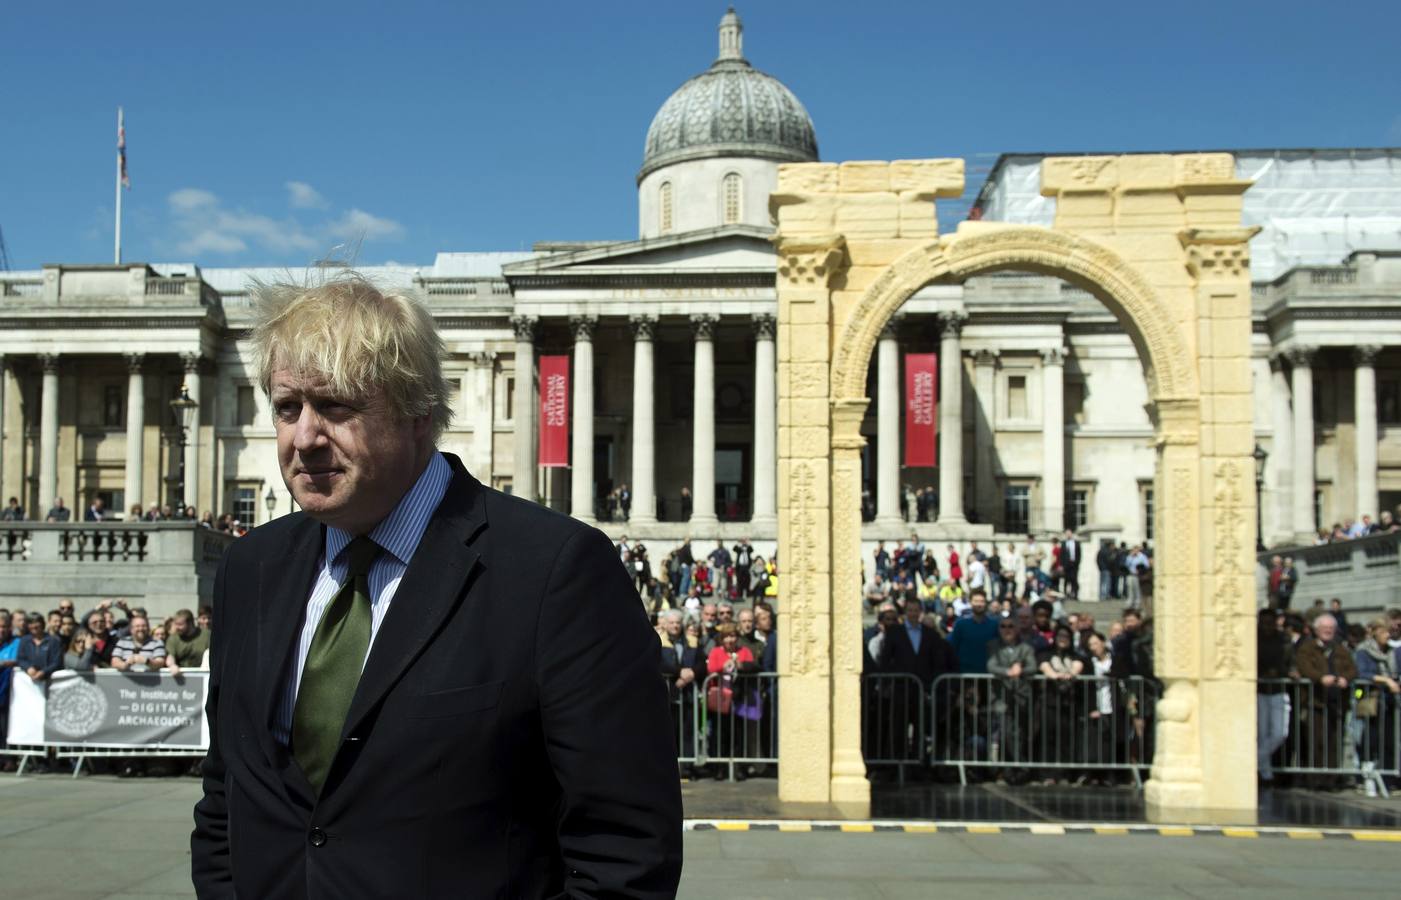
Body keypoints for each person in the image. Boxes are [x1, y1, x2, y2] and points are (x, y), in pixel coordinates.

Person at [191, 273, 681, 898]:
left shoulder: (555, 572)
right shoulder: (249, 569)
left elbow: (625, 849)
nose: (303, 437)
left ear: (419, 413)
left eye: (336, 406)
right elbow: (226, 795)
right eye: (288, 408)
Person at [1293, 613, 1357, 790]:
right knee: (1316, 741)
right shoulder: (1308, 648)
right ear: (1317, 629)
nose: (1328, 631)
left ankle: (1332, 779)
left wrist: (1345, 678)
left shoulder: (1340, 649)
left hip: (1336, 701)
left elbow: (1352, 668)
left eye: (1331, 628)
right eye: (1325, 627)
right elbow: (1304, 666)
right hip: (1316, 701)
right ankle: (1315, 779)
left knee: (1335, 742)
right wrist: (1320, 678)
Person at [1353, 617, 1401, 790]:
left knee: (1390, 740)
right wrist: (1385, 680)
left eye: (1390, 631)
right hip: (1370, 700)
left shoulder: (1391, 652)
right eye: (1385, 632)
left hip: (1389, 702)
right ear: (1375, 633)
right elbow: (1361, 672)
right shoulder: (1363, 651)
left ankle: (1388, 780)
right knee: (1369, 739)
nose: (1388, 635)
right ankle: (1364, 776)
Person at [705, 623, 758, 780]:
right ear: (722, 639)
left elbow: (753, 666)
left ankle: (739, 768)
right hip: (720, 699)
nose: (730, 639)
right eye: (727, 636)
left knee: (739, 735)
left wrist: (739, 665)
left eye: (733, 636)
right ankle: (719, 769)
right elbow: (711, 668)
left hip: (739, 698)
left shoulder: (744, 651)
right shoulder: (715, 651)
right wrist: (723, 666)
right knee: (720, 734)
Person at [1257, 609, 1291, 787]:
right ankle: (1265, 774)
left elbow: (1288, 661)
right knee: (1262, 734)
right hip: (1260, 689)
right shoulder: (1254, 637)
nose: (1267, 626)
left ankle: (1253, 761)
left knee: (1279, 733)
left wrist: (1283, 672)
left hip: (1278, 688)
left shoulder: (1283, 639)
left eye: (1270, 622)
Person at [949, 588, 999, 674]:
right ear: (970, 603)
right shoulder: (961, 624)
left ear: (986, 603)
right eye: (976, 601)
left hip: (989, 675)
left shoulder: (994, 625)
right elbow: (953, 648)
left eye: (981, 601)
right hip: (965, 675)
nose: (979, 604)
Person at [17, 613, 63, 683]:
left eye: (37, 622)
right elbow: (20, 659)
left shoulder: (53, 641)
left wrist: (43, 672)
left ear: (42, 624)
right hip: (28, 683)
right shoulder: (24, 640)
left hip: (50, 681)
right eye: (31, 623)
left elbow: (57, 662)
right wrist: (28, 668)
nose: (34, 626)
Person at [165, 609, 212, 674]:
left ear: (190, 623)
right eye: (176, 624)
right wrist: (172, 665)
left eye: (180, 624)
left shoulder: (207, 635)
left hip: (203, 676)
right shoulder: (173, 638)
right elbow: (170, 656)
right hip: (181, 677)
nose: (176, 627)